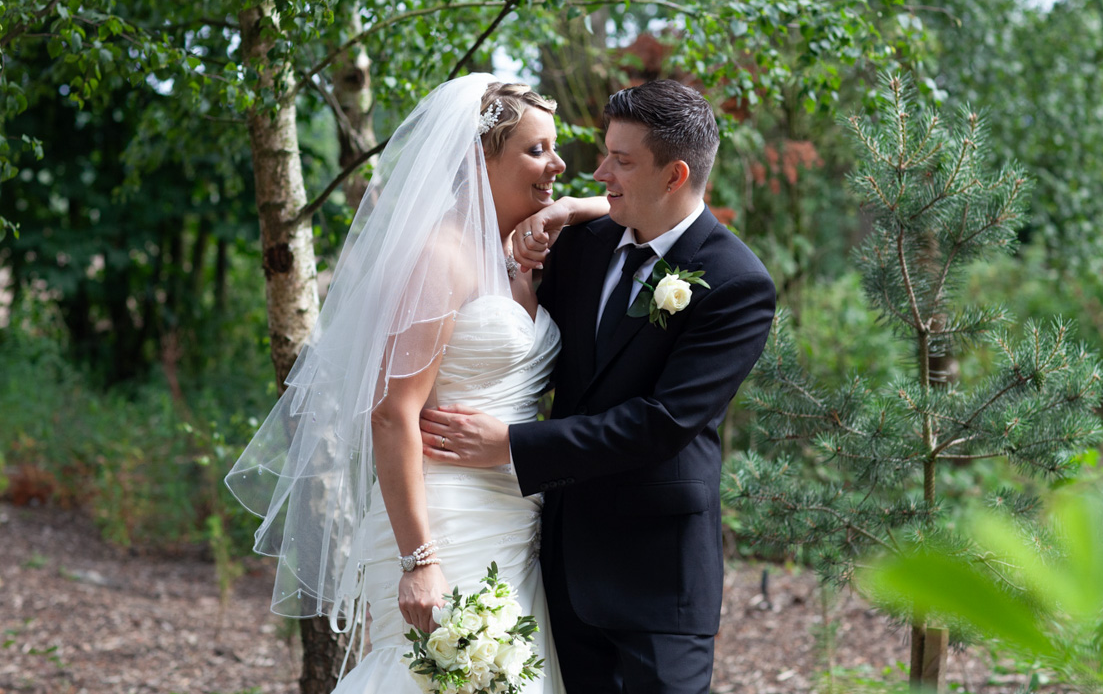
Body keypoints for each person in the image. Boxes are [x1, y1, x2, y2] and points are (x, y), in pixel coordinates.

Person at [225, 74, 608, 693]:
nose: (559, 164)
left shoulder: (517, 253)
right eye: (537, 150)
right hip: (443, 521)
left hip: (516, 520)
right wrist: (419, 562)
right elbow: (390, 413)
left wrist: (567, 207)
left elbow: (633, 206)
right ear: (478, 157)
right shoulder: (440, 257)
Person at [420, 79, 776, 694]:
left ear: (675, 175)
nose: (599, 170)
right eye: (605, 152)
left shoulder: (737, 283)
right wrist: (573, 209)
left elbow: (661, 423)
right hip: (552, 562)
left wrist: (512, 443)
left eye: (622, 160)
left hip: (656, 578)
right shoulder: (581, 247)